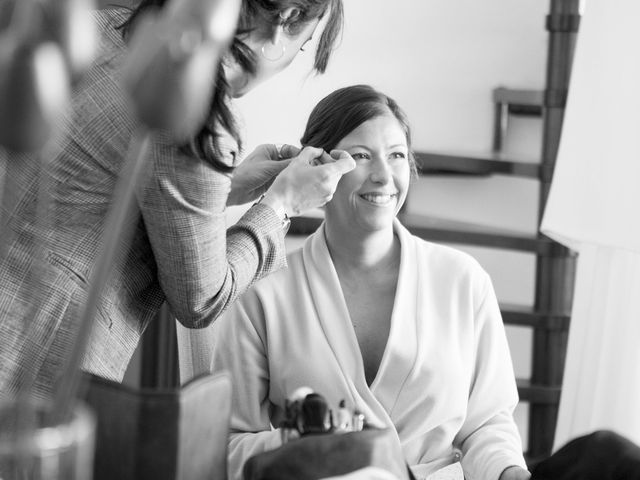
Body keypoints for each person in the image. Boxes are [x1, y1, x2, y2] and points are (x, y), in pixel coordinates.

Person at [0, 0, 353, 399]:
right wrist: (282, 205)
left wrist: (231, 185)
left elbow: (97, 180)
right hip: (32, 360)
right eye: (303, 46)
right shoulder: (202, 116)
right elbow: (201, 299)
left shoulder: (113, 25)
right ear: (285, 21)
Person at [210, 85, 531, 480]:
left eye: (397, 155)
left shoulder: (463, 282)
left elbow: (488, 423)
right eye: (361, 156)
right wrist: (299, 445)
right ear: (318, 169)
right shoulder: (262, 292)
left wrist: (508, 471)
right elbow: (227, 443)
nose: (383, 176)